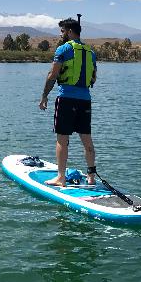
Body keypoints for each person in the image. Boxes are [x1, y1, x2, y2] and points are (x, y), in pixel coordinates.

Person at [38, 16, 97, 187]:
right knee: (87, 139)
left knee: (62, 139)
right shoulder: (91, 52)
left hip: (66, 99)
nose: (61, 34)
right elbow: (93, 78)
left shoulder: (63, 49)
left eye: (63, 31)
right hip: (85, 100)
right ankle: (91, 177)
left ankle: (61, 177)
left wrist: (44, 96)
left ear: (70, 31)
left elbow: (52, 75)